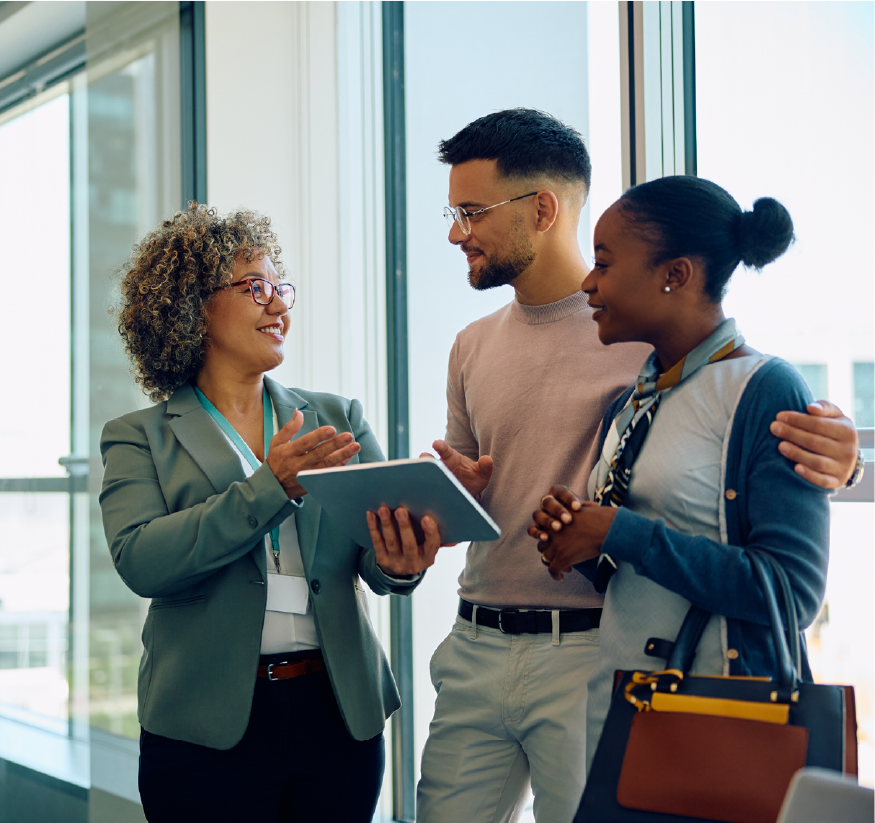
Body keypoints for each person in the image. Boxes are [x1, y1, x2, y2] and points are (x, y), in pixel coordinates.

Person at [416, 109, 859, 823]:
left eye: (470, 211)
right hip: (536, 656)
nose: (454, 231)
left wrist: (845, 460)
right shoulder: (630, 387)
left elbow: (783, 571)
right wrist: (566, 533)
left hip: (649, 674)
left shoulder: (708, 367)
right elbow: (625, 535)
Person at [99, 204, 440, 822]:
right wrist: (269, 486)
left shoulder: (338, 417)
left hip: (338, 712)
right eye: (257, 287)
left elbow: (378, 559)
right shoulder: (139, 435)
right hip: (204, 723)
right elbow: (143, 561)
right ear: (191, 304)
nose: (280, 305)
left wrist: (402, 559)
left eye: (282, 287)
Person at [529, 176, 830, 780]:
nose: (588, 283)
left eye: (605, 263)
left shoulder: (764, 389)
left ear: (677, 274)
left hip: (716, 721)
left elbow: (791, 594)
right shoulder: (635, 399)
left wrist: (620, 531)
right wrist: (580, 538)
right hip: (621, 712)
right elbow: (635, 574)